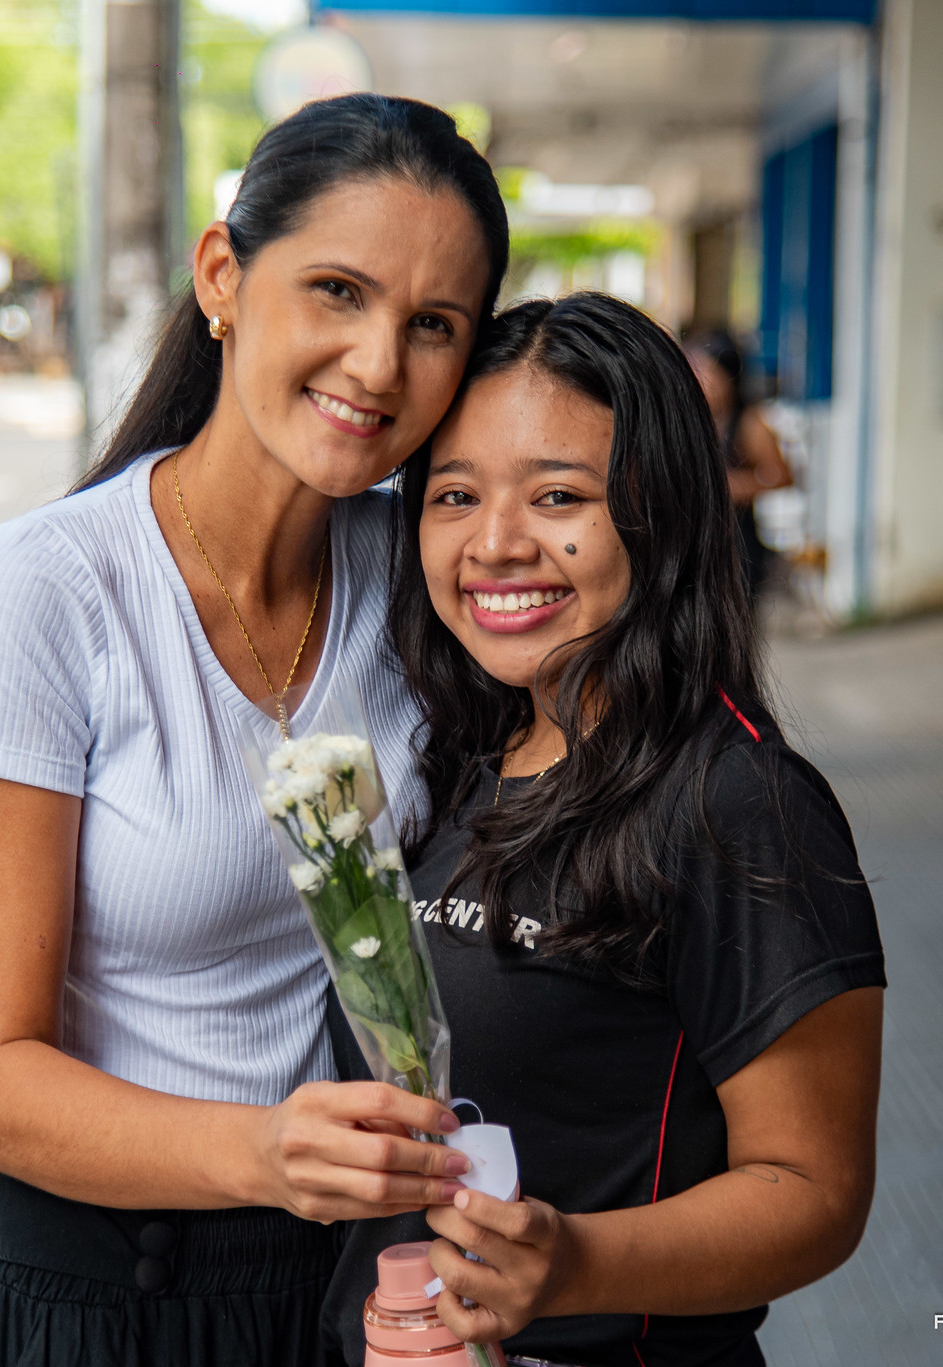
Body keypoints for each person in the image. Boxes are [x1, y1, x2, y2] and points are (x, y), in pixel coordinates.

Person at [0, 94, 510, 1367]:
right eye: (336, 290)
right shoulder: (42, 593)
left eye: (432, 324)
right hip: (51, 1288)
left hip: (307, 1274)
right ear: (222, 276)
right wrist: (265, 1150)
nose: (378, 363)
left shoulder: (415, 575)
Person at [324, 294, 886, 1367]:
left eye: (557, 495)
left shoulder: (737, 800)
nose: (496, 543)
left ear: (659, 511)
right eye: (453, 494)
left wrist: (574, 1262)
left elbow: (815, 1190)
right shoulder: (450, 762)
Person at [683, 329, 793, 598]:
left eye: (704, 371)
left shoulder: (750, 423)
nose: (697, 378)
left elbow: (782, 476)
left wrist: (732, 486)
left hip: (738, 546)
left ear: (727, 376)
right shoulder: (697, 421)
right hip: (699, 542)